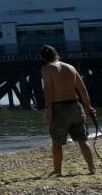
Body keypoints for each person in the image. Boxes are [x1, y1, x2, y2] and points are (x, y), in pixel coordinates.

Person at [41, 45, 96, 177]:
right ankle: (91, 168)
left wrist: (49, 111)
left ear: (43, 57)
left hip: (59, 108)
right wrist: (88, 107)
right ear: (56, 54)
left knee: (57, 142)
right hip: (76, 106)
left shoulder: (47, 68)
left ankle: (58, 170)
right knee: (83, 140)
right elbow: (82, 90)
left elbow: (48, 91)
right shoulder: (70, 67)